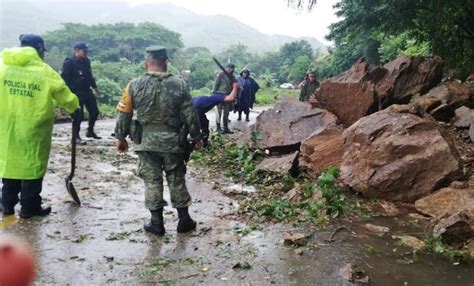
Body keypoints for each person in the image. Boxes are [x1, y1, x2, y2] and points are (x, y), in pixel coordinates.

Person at [115, 46, 202, 236]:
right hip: (173, 143)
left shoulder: (133, 84)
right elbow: (190, 114)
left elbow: (124, 113)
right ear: (166, 62)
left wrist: (121, 138)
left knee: (152, 181)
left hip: (146, 143)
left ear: (146, 63)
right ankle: (184, 220)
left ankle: (156, 223)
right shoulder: (180, 84)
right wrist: (196, 137)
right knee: (176, 179)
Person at [0, 34, 79, 218]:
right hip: (34, 127)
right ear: (40, 49)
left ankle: (7, 204)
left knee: (10, 162)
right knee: (32, 164)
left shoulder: (3, 67)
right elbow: (65, 96)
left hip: (6, 126)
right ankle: (30, 207)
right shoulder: (44, 71)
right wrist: (75, 108)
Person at [61, 42, 101, 145]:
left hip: (87, 90)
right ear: (77, 50)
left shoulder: (86, 61)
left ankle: (90, 131)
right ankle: (75, 137)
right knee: (78, 115)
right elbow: (64, 78)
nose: (86, 53)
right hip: (76, 92)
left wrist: (95, 88)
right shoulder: (69, 62)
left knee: (94, 111)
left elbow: (89, 76)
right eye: (84, 51)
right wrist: (68, 93)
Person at [192, 82, 240, 147]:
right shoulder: (217, 97)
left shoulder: (207, 98)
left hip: (191, 108)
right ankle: (202, 144)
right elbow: (230, 98)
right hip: (197, 109)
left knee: (202, 124)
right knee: (201, 126)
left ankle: (200, 142)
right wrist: (235, 88)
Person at [214, 63, 235, 134]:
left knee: (226, 113)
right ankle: (218, 127)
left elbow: (234, 87)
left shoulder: (232, 77)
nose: (229, 69)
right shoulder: (221, 75)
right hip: (219, 95)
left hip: (228, 96)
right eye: (227, 67)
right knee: (218, 112)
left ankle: (226, 128)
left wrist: (234, 97)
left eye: (230, 68)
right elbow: (216, 84)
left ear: (233, 69)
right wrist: (214, 94)